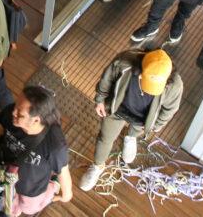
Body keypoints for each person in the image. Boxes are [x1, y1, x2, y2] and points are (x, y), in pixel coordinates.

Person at [78, 49, 182, 191]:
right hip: (118, 108)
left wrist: (155, 125)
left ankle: (130, 137)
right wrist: (100, 99)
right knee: (104, 138)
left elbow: (169, 109)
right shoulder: (124, 62)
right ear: (141, 67)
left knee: (136, 131)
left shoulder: (174, 86)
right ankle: (98, 166)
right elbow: (107, 78)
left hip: (143, 118)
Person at [0, 86, 72, 217]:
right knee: (7, 201)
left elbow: (63, 171)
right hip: (9, 175)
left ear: (36, 120)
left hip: (32, 189)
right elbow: (1, 131)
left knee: (29, 209)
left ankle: (53, 184)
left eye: (20, 113)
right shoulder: (11, 114)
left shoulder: (55, 145)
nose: (13, 112)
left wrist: (66, 194)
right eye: (15, 105)